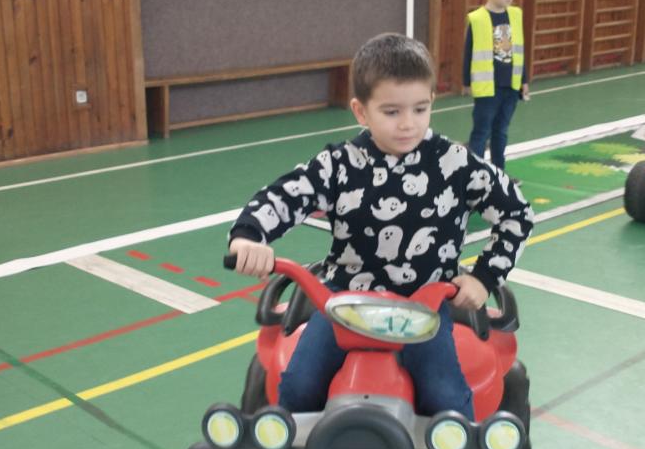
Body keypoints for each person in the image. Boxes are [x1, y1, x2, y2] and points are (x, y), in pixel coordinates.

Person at [228, 33, 534, 420]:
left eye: (420, 109)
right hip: (344, 301)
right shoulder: (340, 164)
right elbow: (285, 195)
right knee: (299, 385)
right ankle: (288, 448)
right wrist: (249, 236)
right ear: (361, 111)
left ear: (431, 101)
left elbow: (517, 214)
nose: (408, 124)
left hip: (424, 306)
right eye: (391, 112)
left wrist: (483, 277)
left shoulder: (455, 163)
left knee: (447, 397)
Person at [464, 0, 530, 172]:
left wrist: (524, 80)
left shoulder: (516, 15)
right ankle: (475, 176)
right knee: (481, 132)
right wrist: (467, 82)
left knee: (501, 132)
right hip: (487, 89)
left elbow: (519, 50)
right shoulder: (478, 19)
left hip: (510, 87)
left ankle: (499, 175)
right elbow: (469, 52)